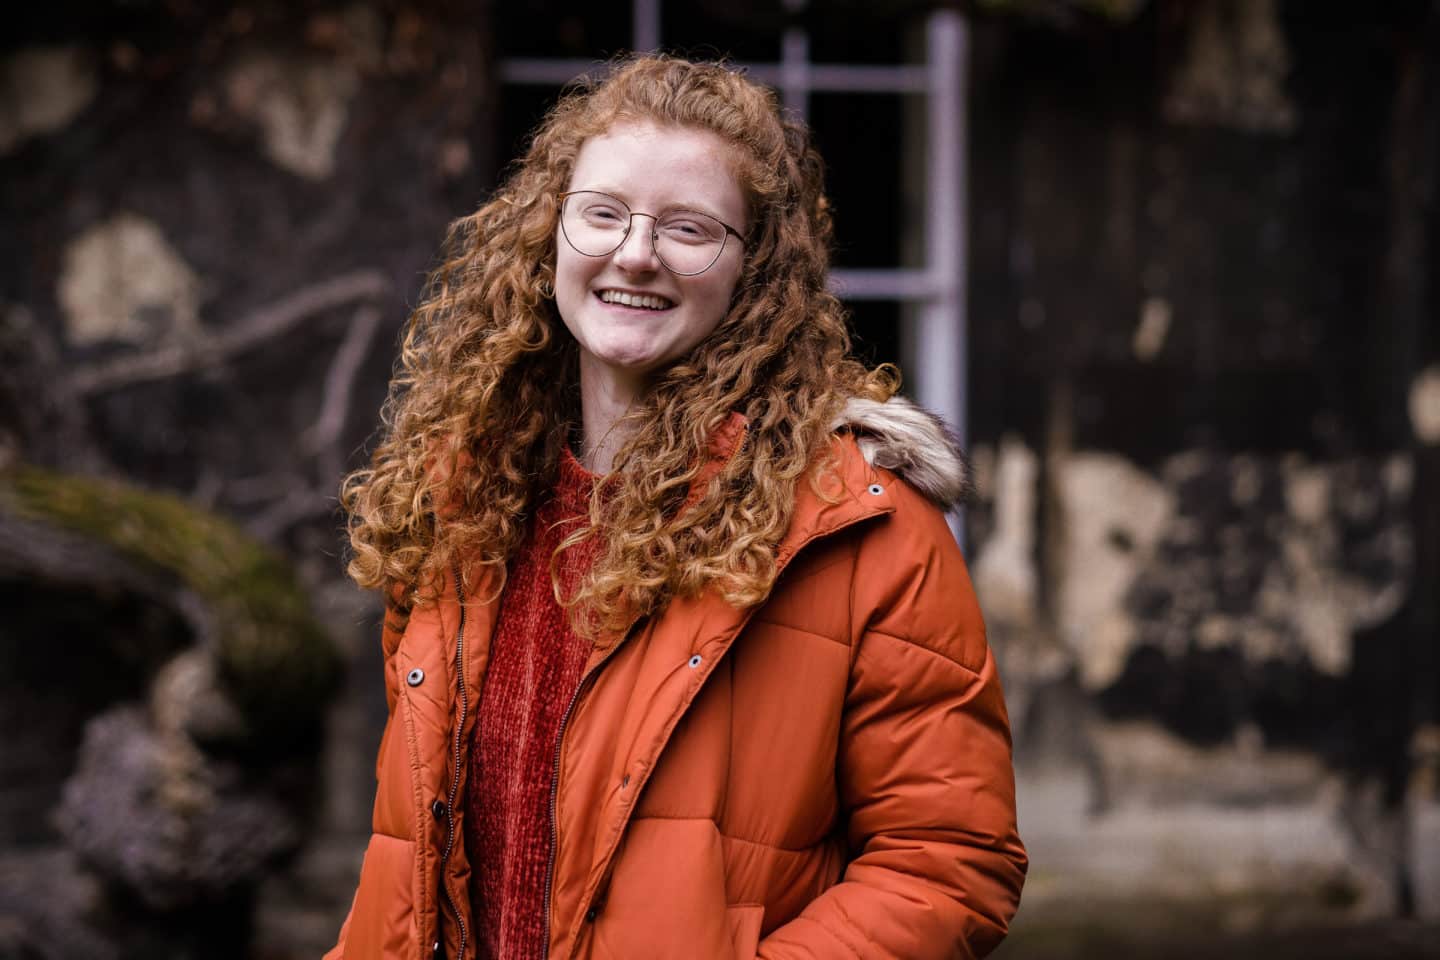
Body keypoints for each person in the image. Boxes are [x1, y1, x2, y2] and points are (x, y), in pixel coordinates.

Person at [327, 54, 1026, 960]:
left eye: (690, 228)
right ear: (552, 233)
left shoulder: (861, 524)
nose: (635, 253)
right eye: (603, 213)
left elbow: (948, 862)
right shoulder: (463, 499)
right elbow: (410, 862)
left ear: (756, 270)